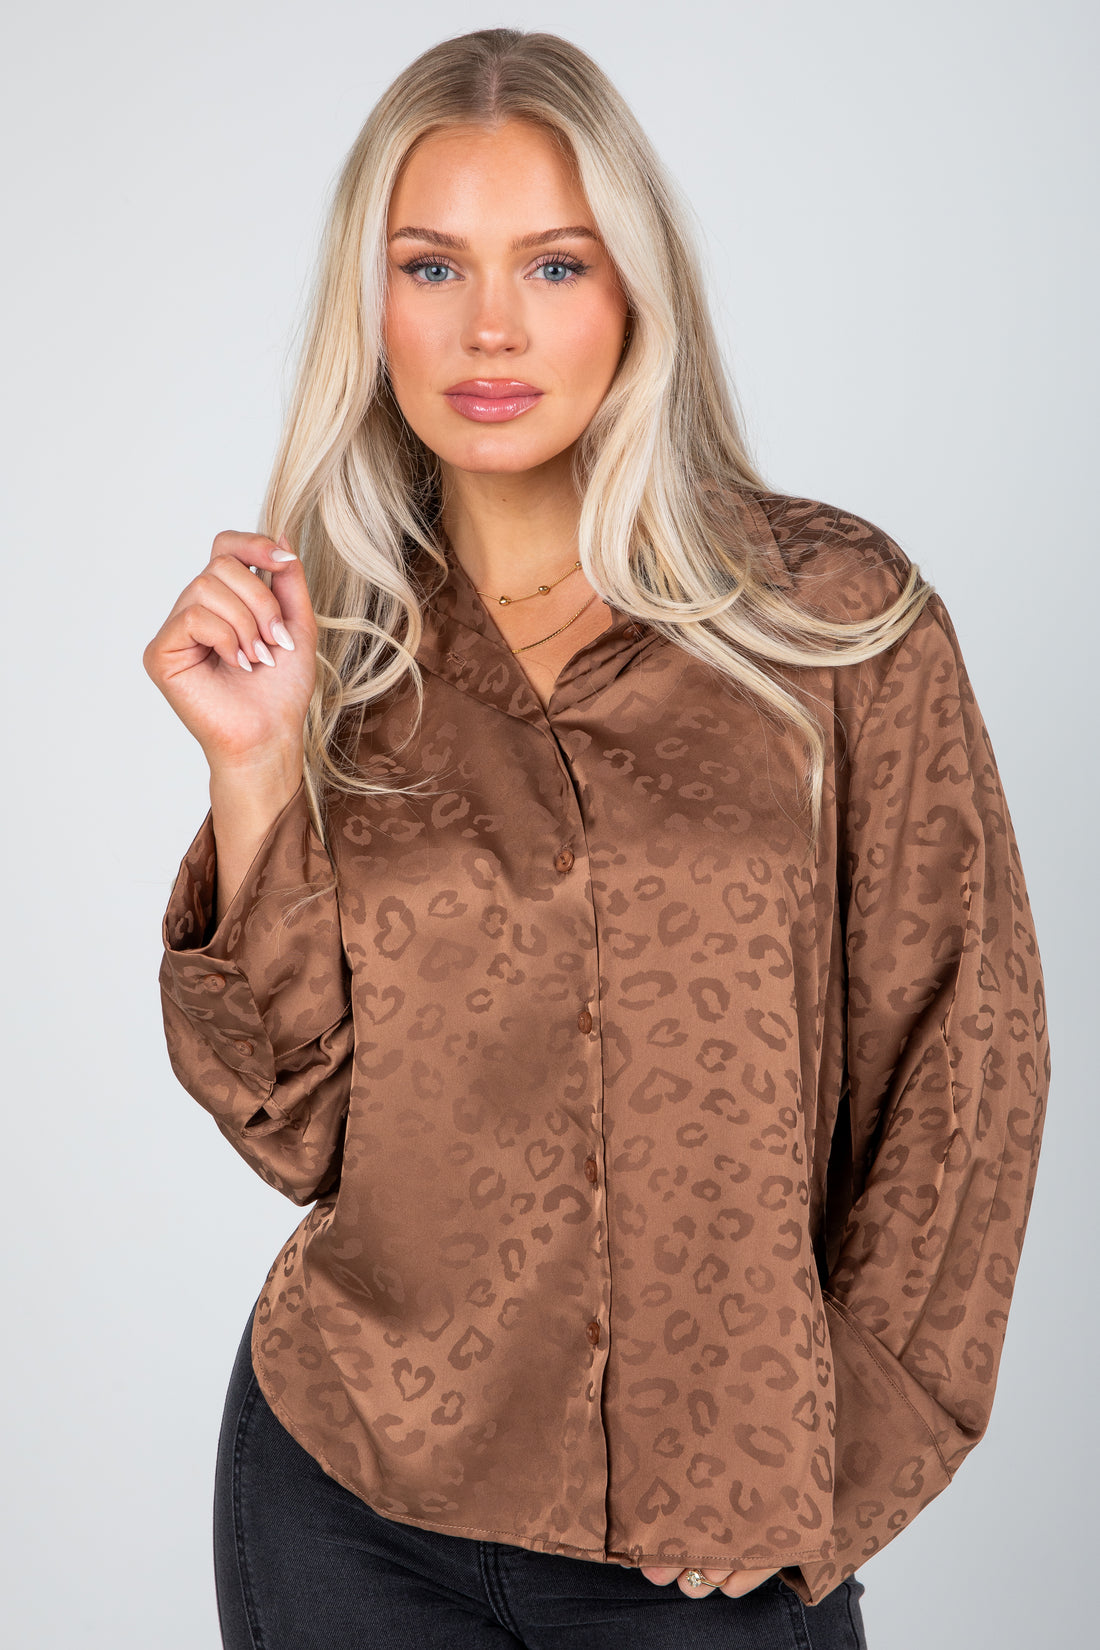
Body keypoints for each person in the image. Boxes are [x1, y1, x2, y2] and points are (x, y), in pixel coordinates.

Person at [143, 26, 1050, 1650]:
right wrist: (256, 772)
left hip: (710, 1544)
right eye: (432, 265)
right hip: (352, 1500)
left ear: (637, 290)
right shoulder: (340, 656)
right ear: (375, 304)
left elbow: (965, 1067)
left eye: (553, 264)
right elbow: (301, 1130)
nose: (490, 325)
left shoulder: (836, 618)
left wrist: (827, 1455)